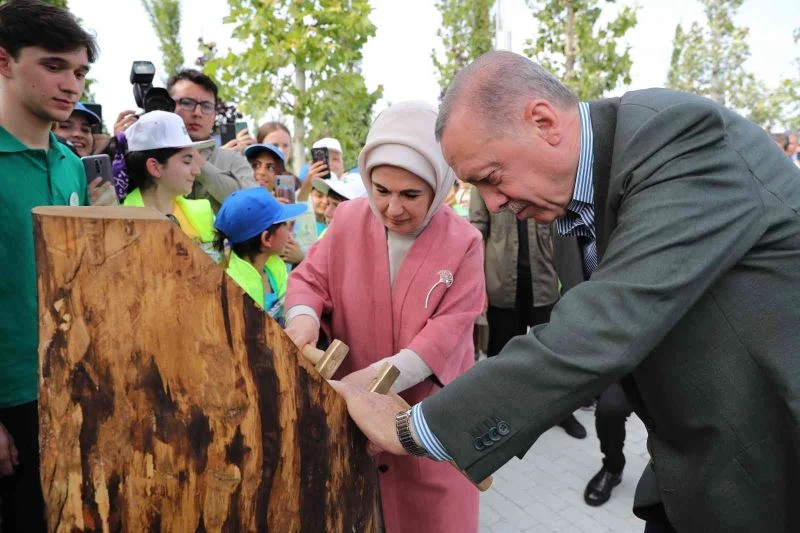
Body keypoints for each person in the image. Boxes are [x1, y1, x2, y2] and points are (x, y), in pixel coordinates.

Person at [330, 51, 800, 533]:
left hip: (773, 463)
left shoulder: (678, 137)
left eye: (492, 178)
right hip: (693, 470)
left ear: (543, 120)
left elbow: (597, 332)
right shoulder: (568, 209)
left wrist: (412, 428)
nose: (495, 204)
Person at [284, 101, 485, 533]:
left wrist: (375, 381)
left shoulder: (465, 242)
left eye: (410, 194)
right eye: (381, 190)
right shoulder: (349, 219)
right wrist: (302, 318)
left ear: (439, 187)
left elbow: (446, 333)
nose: (392, 208)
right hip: (350, 425)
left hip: (425, 427)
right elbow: (309, 279)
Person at [0, 1, 98, 530]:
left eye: (80, 71)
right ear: (4, 62)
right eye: (53, 65)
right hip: (7, 403)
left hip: (69, 394)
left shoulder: (71, 168)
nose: (72, 84)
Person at [469, 192, 587, 440]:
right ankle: (500, 413)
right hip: (501, 282)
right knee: (501, 354)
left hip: (542, 282)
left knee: (553, 352)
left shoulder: (534, 170)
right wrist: (478, 285)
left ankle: (560, 412)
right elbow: (477, 230)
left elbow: (563, 224)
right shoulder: (483, 183)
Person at [119, 110, 216, 248]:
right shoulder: (120, 220)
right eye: (187, 162)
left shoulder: (203, 212)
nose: (197, 171)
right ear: (155, 167)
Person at [214, 187, 306, 324]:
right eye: (285, 224)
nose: (290, 232)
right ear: (267, 238)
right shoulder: (234, 289)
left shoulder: (274, 268)